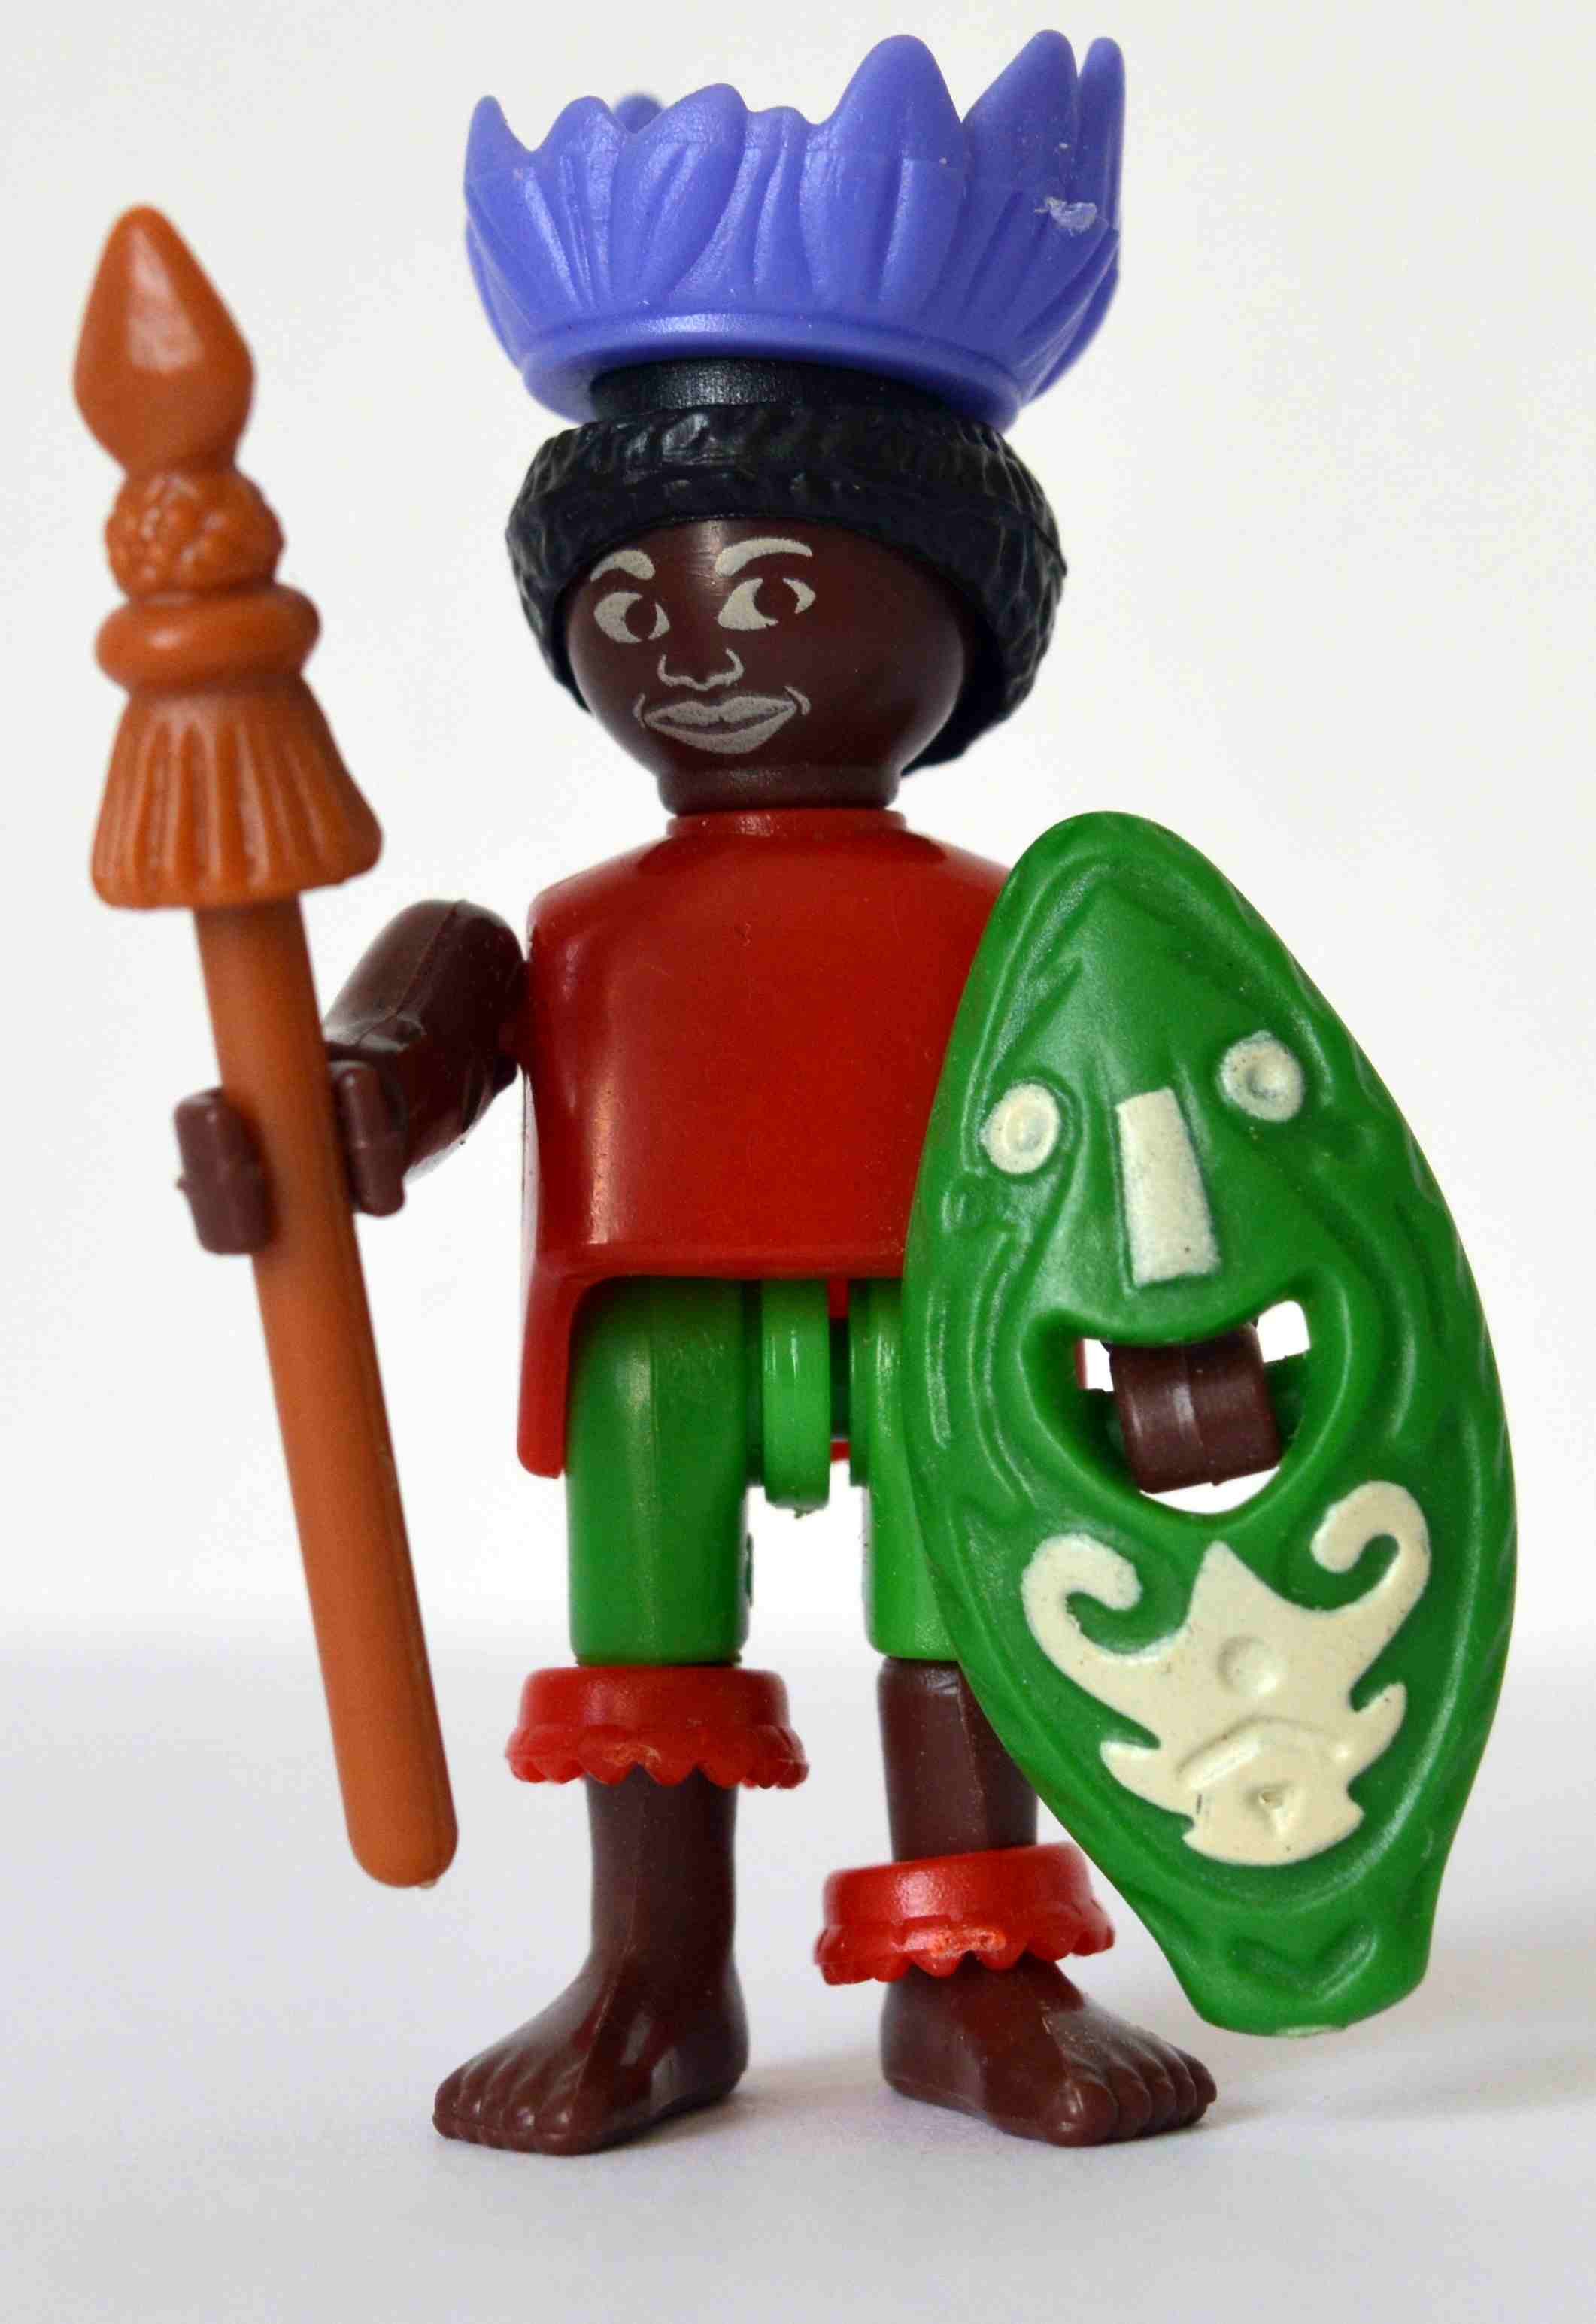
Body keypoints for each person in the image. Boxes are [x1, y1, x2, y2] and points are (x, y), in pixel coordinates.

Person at [175, 32, 1219, 2153]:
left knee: (968, 1611)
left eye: (777, 594)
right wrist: (315, 1113)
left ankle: (977, 1979)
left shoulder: (1020, 925)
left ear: (962, 625)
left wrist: (1173, 1345)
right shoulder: (564, 930)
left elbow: (1134, 1152)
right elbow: (398, 1059)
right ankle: (653, 1973)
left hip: (945, 1318)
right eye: (634, 607)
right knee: (642, 1633)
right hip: (653, 1326)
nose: (703, 648)